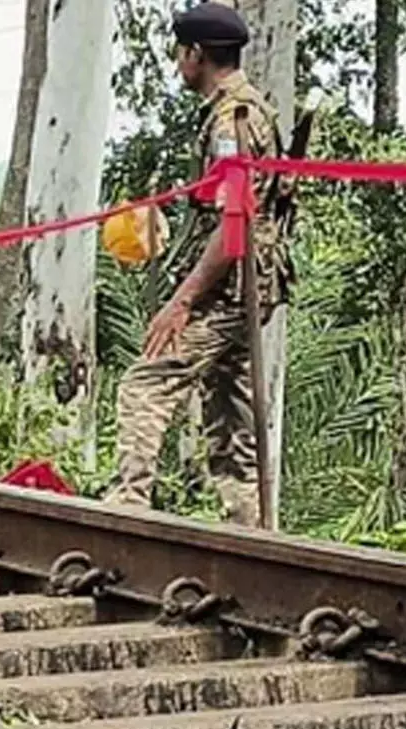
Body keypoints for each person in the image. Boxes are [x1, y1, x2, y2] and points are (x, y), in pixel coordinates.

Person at [101, 2, 282, 528]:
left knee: (147, 382)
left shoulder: (232, 122)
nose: (178, 63)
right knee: (230, 414)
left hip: (228, 287)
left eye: (181, 53)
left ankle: (127, 504)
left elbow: (233, 230)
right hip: (250, 284)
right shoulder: (251, 109)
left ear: (196, 54)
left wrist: (183, 301)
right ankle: (250, 527)